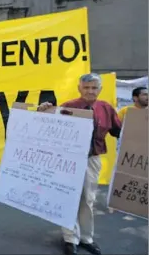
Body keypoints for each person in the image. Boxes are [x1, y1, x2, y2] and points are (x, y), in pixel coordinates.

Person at [38, 73, 121, 255]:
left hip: (92, 160)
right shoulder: (68, 106)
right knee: (68, 198)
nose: (90, 91)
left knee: (88, 200)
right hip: (68, 160)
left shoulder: (106, 108)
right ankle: (70, 238)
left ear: (100, 89)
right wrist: (43, 112)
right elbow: (49, 129)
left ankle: (86, 238)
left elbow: (119, 131)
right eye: (86, 87)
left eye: (94, 88)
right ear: (79, 88)